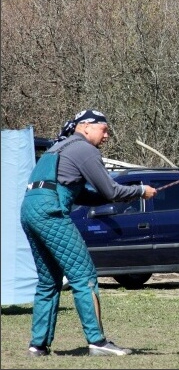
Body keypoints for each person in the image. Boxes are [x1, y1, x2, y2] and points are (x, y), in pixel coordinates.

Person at [20, 110, 157, 357]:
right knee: (85, 275)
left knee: (49, 280)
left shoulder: (58, 147)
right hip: (51, 211)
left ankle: (37, 345)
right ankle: (97, 341)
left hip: (29, 210)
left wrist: (118, 198)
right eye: (104, 129)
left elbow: (83, 195)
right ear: (85, 126)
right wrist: (139, 191)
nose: (107, 136)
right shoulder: (85, 150)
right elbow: (111, 189)